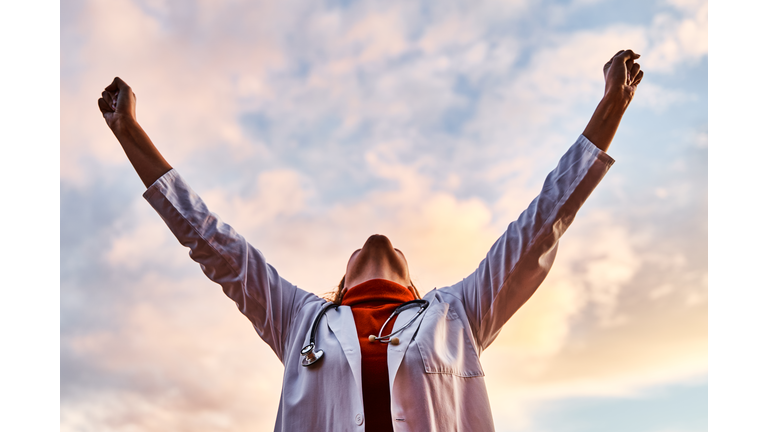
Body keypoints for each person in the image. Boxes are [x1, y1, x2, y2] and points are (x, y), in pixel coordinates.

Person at [98, 49, 644, 432]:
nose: (375, 241)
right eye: (360, 248)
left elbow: (542, 221)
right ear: (341, 281)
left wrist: (611, 107)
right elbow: (212, 242)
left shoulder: (458, 315)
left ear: (411, 281)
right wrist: (130, 133)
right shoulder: (298, 319)